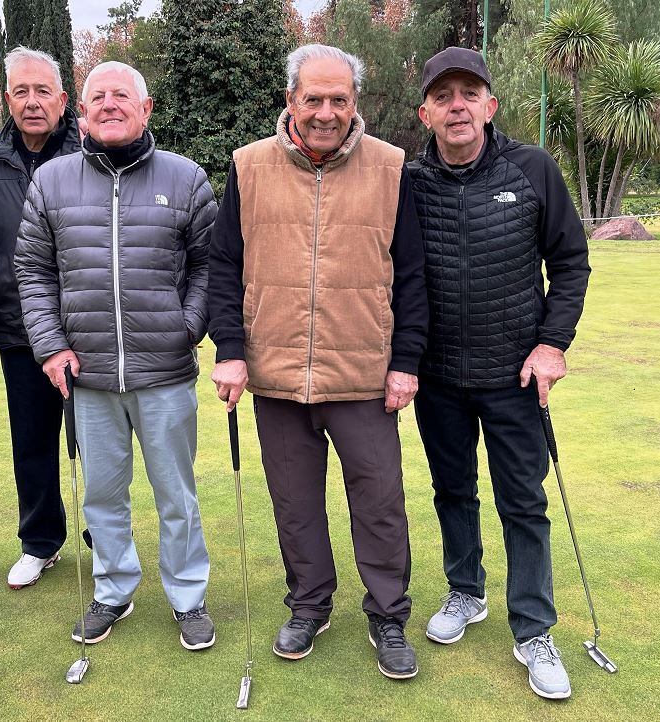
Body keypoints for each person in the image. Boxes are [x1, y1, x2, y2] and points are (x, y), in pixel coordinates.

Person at [208, 44, 428, 679]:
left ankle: (388, 614)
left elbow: (411, 275)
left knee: (380, 500)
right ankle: (309, 604)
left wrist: (405, 361)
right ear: (291, 101)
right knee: (295, 502)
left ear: (353, 103)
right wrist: (229, 350)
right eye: (315, 98)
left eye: (339, 99)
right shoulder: (248, 167)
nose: (327, 112)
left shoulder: (391, 167)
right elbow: (226, 266)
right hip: (275, 374)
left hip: (363, 374)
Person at [14, 62, 218, 650]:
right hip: (89, 376)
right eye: (97, 96)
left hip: (165, 372)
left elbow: (209, 265)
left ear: (145, 107)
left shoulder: (184, 178)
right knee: (101, 494)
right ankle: (113, 589)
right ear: (82, 113)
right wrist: (50, 346)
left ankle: (187, 595)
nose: (108, 104)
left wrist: (188, 327)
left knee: (175, 494)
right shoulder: (51, 181)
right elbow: (32, 270)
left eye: (121, 95)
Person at [408, 47, 591, 700]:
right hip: (437, 378)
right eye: (443, 95)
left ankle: (533, 628)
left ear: (489, 106)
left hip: (516, 375)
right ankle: (465, 592)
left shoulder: (532, 169)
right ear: (425, 111)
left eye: (469, 92)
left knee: (523, 503)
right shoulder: (407, 181)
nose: (456, 104)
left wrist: (552, 344)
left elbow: (570, 262)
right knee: (451, 491)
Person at [0, 47, 81, 590]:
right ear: (8, 99)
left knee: (96, 445)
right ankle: (41, 541)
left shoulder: (93, 154)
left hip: (92, 328)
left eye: (43, 91)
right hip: (20, 329)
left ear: (63, 99)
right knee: (33, 441)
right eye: (21, 91)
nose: (33, 102)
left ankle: (103, 541)